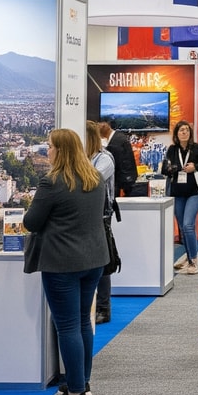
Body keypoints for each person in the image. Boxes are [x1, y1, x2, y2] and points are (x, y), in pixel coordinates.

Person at [24, 127, 109, 395]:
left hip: (62, 263)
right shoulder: (94, 178)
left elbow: (32, 222)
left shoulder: (52, 182)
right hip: (94, 260)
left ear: (60, 150)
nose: (46, 151)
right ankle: (82, 382)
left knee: (68, 326)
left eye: (49, 146)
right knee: (83, 322)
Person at [159, 120, 198, 276]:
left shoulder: (197, 149)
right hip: (177, 192)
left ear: (190, 133)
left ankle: (193, 260)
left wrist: (196, 167)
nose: (184, 132)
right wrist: (174, 168)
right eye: (181, 130)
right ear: (176, 134)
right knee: (181, 226)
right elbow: (164, 170)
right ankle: (187, 257)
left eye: (186, 130)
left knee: (188, 225)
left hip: (195, 191)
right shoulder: (172, 150)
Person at [85, 121, 117, 325]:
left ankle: (104, 307)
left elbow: (91, 181)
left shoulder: (104, 158)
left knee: (103, 260)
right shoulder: (85, 158)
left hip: (101, 216)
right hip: (84, 216)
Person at [100, 122, 139, 198]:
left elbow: (115, 162)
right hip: (127, 176)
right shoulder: (119, 137)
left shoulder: (115, 142)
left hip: (122, 178)